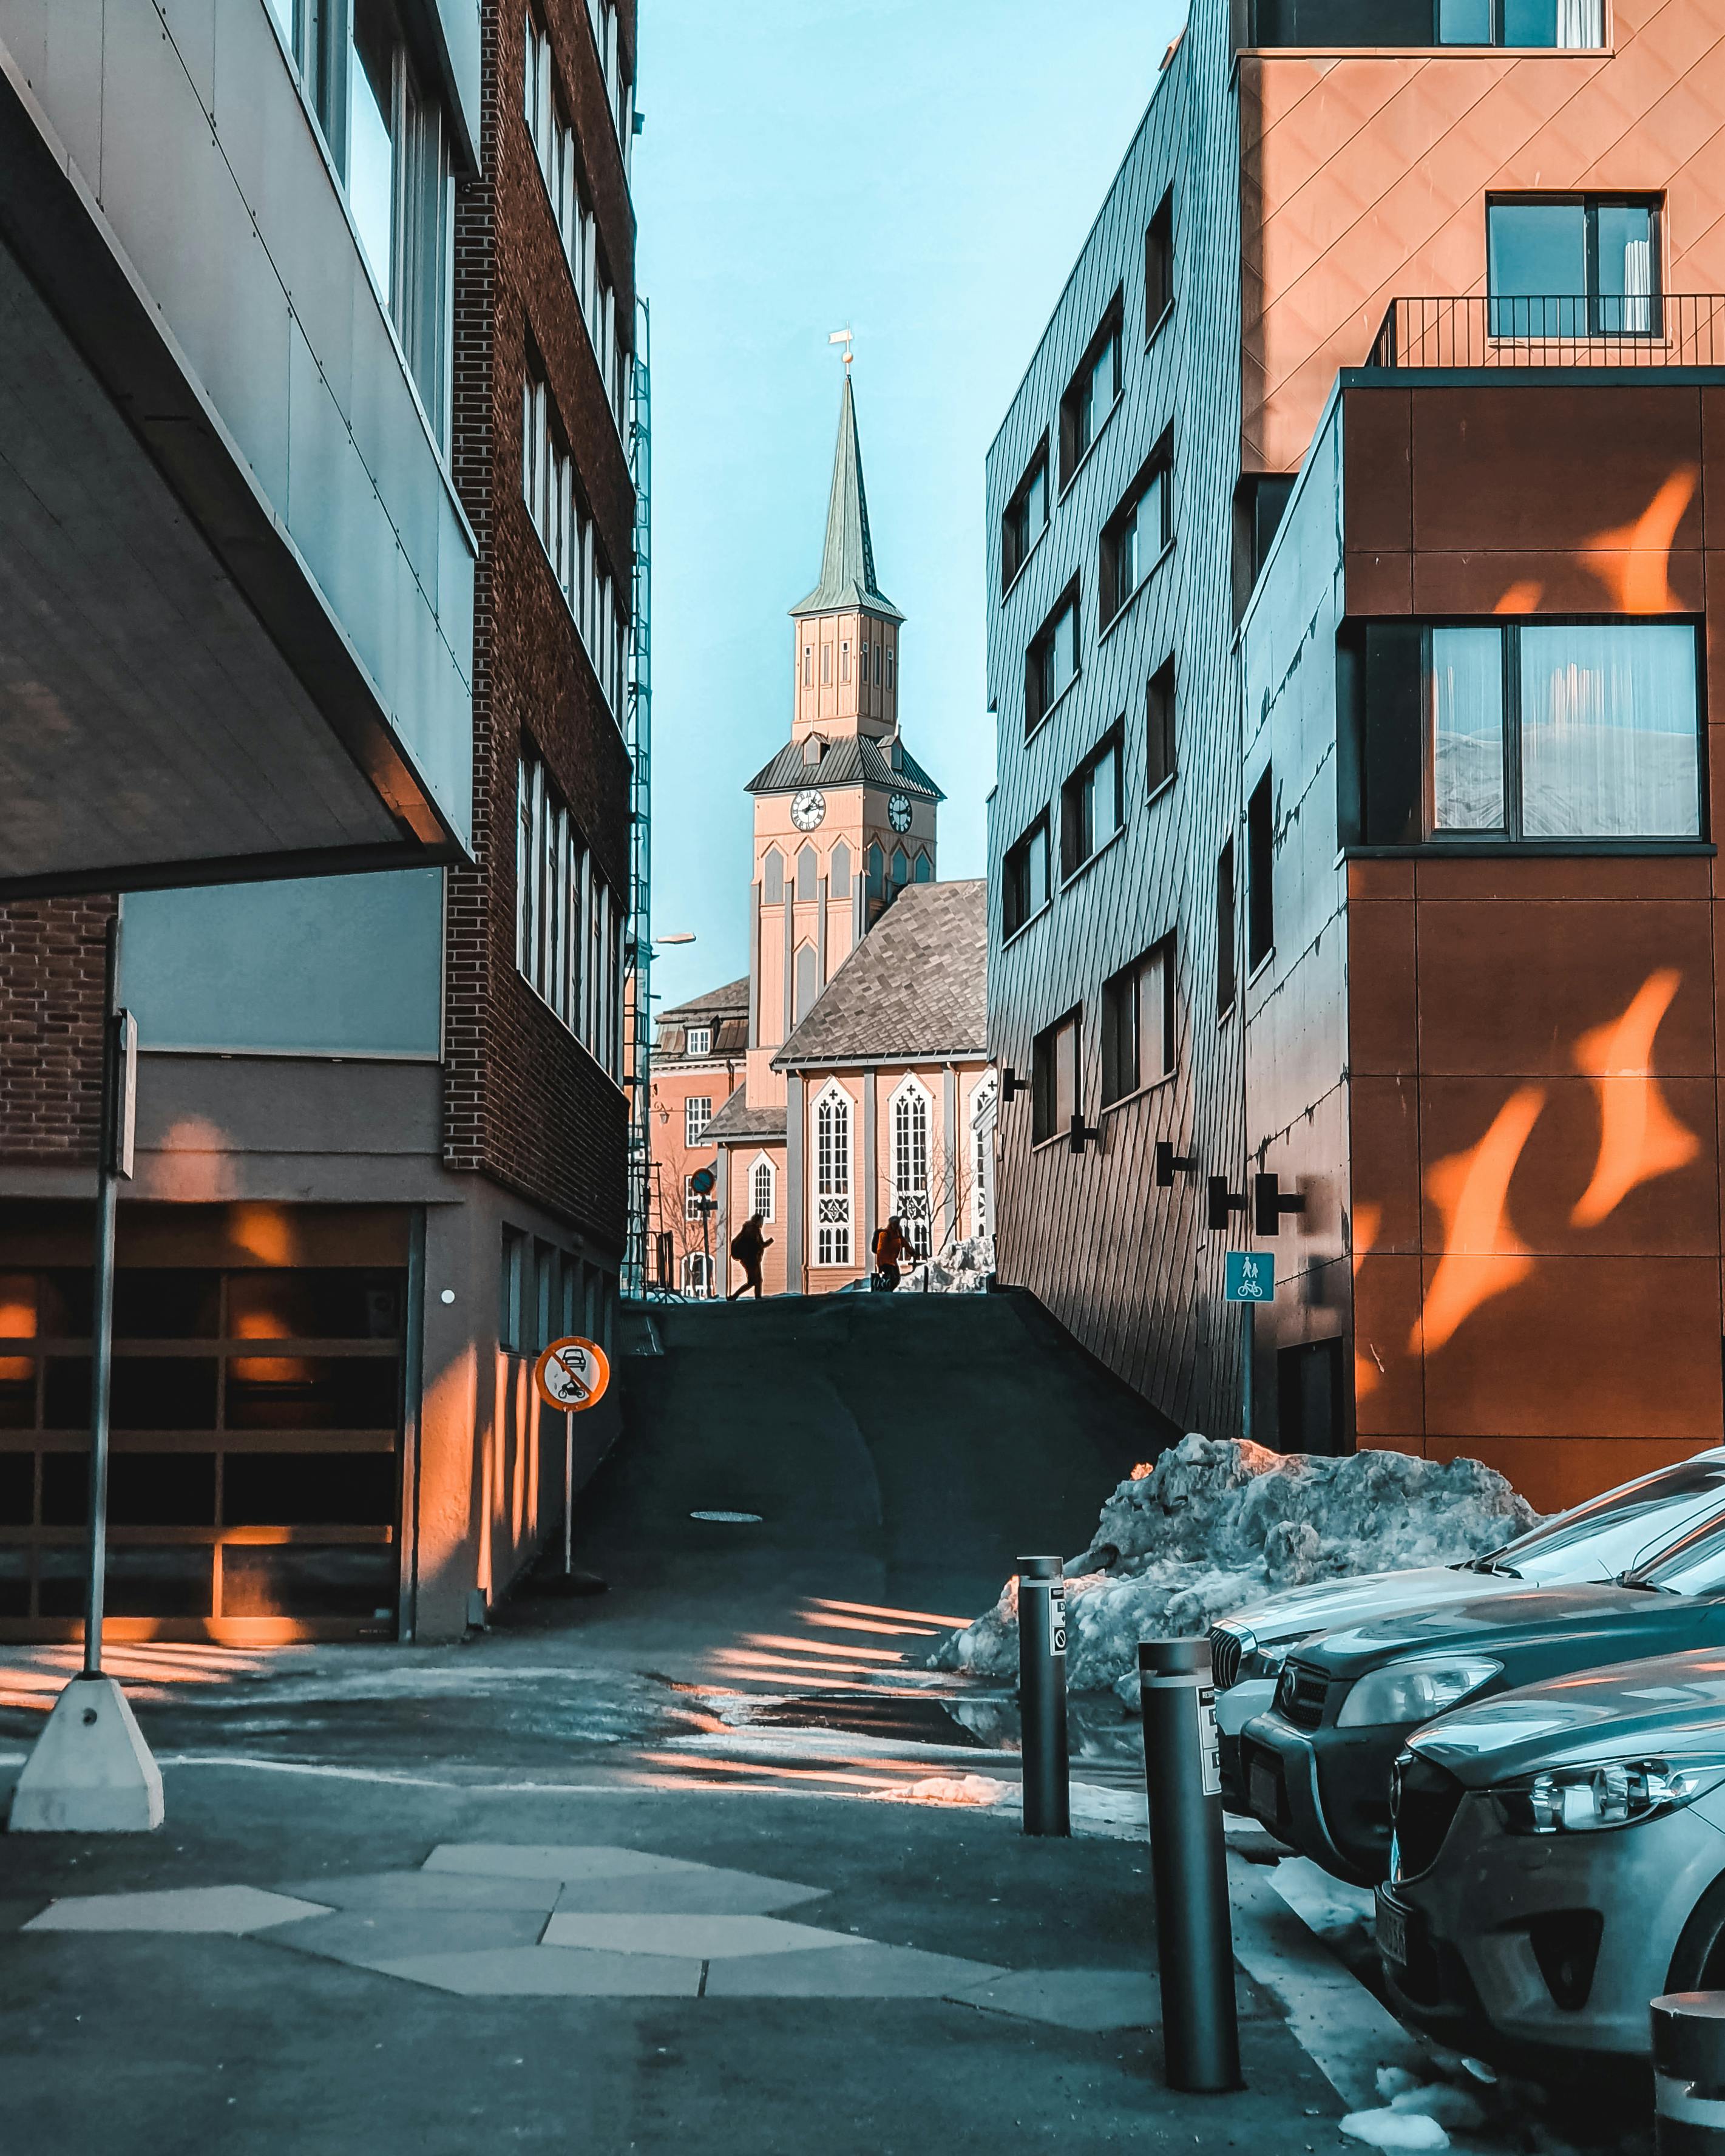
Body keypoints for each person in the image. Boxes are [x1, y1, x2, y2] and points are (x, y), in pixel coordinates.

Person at [728, 1213, 771, 1300]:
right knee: (757, 1280)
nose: (762, 1223)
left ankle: (735, 1296)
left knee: (753, 1281)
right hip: (751, 1259)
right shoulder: (753, 1230)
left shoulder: (749, 1229)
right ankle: (757, 1297)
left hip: (748, 1258)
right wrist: (769, 1242)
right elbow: (757, 1245)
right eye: (761, 1221)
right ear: (758, 1221)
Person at [872, 1213, 908, 1293]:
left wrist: (912, 1252)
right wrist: (880, 1266)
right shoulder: (884, 1234)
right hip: (885, 1263)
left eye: (897, 1224)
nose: (896, 1225)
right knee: (890, 1280)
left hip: (893, 1262)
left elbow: (904, 1242)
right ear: (891, 1224)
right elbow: (880, 1251)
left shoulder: (898, 1233)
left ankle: (888, 1294)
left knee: (896, 1279)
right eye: (895, 1224)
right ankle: (886, 1295)